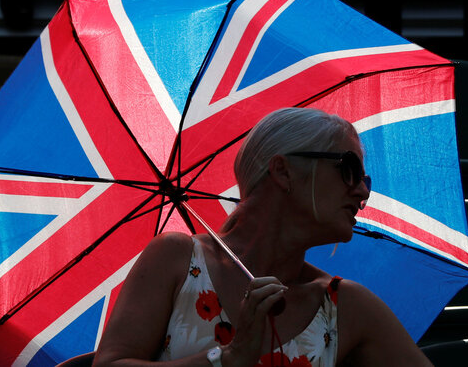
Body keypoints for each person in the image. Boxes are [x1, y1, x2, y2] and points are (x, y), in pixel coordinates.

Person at [93, 108, 432, 366]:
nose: (362, 192)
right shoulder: (178, 259)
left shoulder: (344, 307)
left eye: (365, 179)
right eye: (349, 169)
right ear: (283, 171)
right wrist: (228, 358)